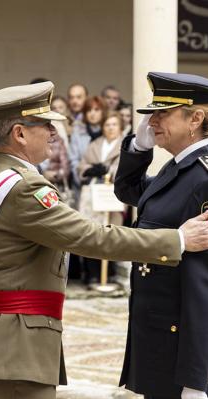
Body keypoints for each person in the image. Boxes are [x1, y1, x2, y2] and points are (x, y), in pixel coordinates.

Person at [0, 80, 208, 399]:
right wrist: (177, 241)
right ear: (18, 134)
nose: (53, 132)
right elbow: (91, 237)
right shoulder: (24, 189)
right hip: (17, 350)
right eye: (44, 125)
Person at [114, 72, 208, 399]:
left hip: (182, 350)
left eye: (162, 114)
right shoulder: (178, 168)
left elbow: (206, 286)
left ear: (195, 119)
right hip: (160, 342)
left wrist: (196, 376)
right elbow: (129, 191)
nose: (153, 122)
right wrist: (138, 147)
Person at [77, 112, 125, 285]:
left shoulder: (124, 144)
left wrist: (108, 171)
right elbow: (81, 165)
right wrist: (90, 169)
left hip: (111, 193)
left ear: (120, 127)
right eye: (107, 124)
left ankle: (109, 273)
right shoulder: (95, 143)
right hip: (92, 194)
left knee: (110, 233)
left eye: (114, 124)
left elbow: (125, 167)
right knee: (90, 232)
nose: (110, 128)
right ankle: (92, 273)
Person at [69, 96, 106, 186]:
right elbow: (73, 160)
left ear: (103, 112)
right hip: (83, 184)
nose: (92, 113)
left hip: (106, 185)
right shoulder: (78, 133)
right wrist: (83, 174)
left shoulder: (108, 131)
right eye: (89, 110)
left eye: (96, 110)